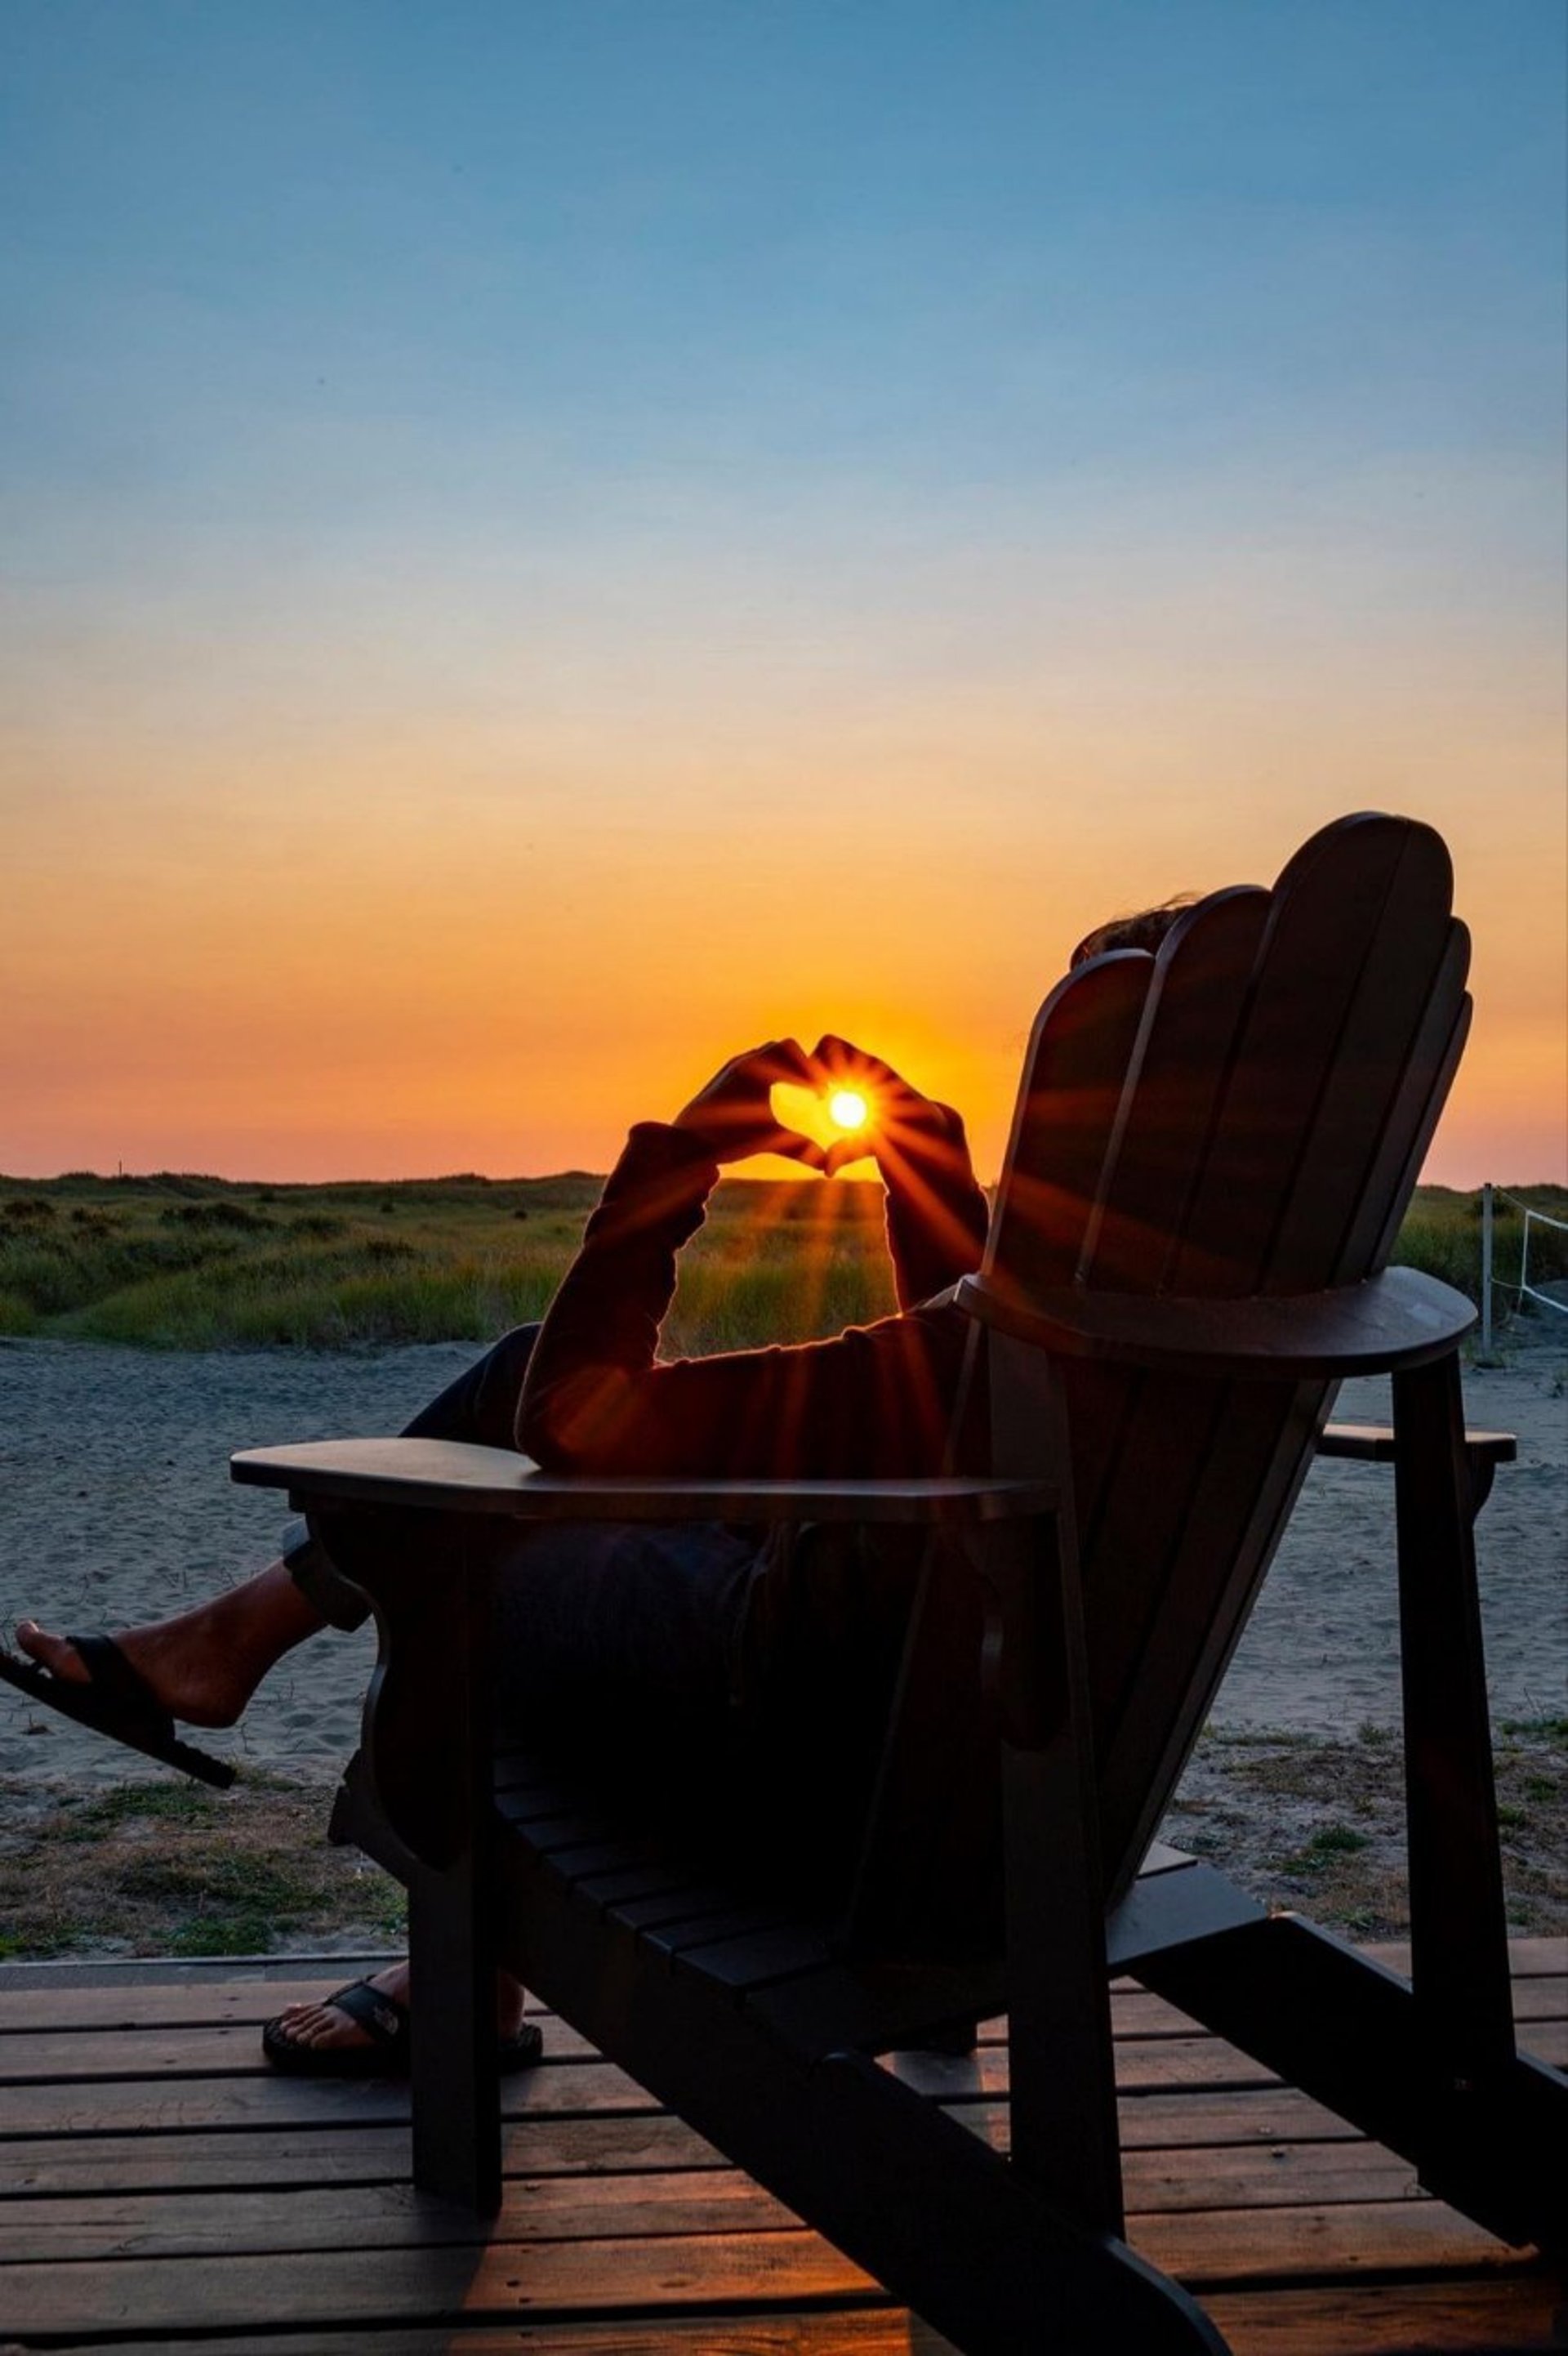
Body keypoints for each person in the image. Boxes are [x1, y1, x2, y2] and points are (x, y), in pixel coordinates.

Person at [7, 910, 1188, 2072]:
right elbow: (955, 1414)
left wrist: (687, 1153)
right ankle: (229, 1646)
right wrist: (930, 1184)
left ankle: (457, 1943)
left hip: (798, 1766)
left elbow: (570, 1415)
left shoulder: (997, 1350)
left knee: (471, 1511)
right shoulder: (1184, 1338)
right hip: (983, 1772)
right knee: (517, 1385)